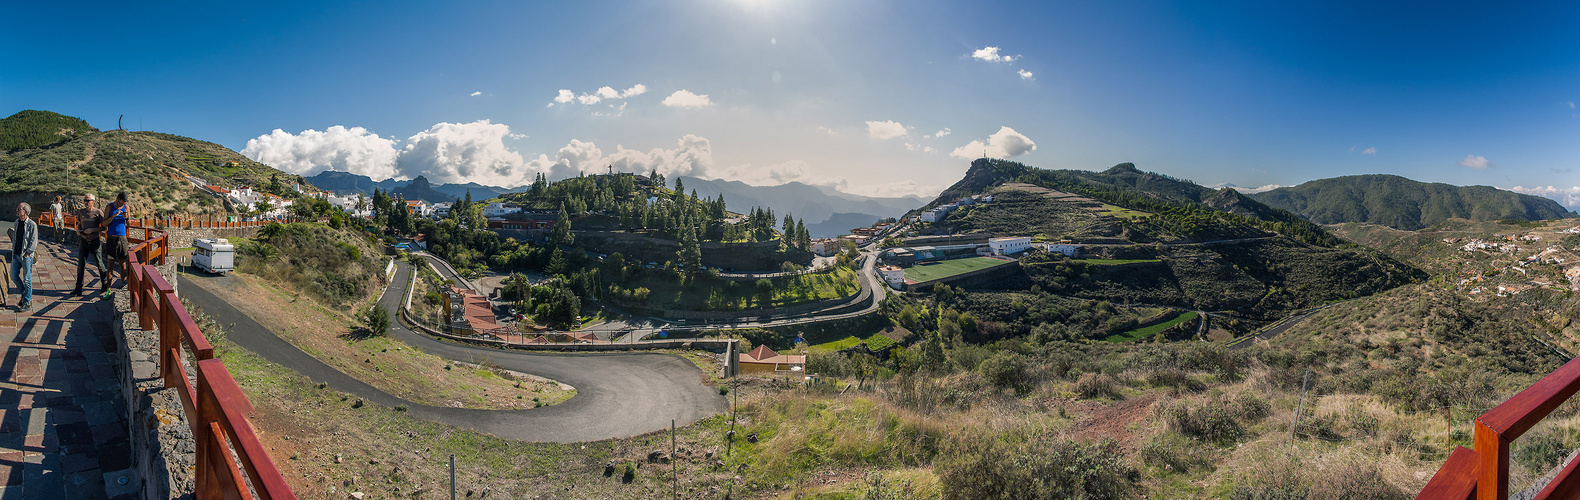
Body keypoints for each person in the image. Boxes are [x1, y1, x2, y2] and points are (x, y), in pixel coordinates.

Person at [73, 193, 105, 297]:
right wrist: (78, 229)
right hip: (83, 242)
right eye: (85, 200)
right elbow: (79, 223)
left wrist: (92, 230)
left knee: (100, 264)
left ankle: (105, 285)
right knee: (80, 265)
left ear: (93, 201)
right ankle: (78, 288)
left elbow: (103, 227)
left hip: (95, 242)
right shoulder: (81, 212)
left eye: (88, 200)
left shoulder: (98, 212)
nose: (86, 203)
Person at [101, 192, 130, 299]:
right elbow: (104, 224)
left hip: (122, 238)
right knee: (110, 264)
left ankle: (123, 288)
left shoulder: (126, 207)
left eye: (122, 204)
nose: (120, 205)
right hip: (111, 238)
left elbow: (129, 224)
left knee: (123, 265)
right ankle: (108, 289)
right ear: (117, 199)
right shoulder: (109, 207)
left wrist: (126, 218)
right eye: (119, 203)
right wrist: (113, 216)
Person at [12, 203, 37, 312]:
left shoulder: (32, 224)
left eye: (19, 209)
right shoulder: (17, 222)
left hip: (26, 256)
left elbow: (34, 241)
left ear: (26, 212)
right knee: (13, 276)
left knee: (27, 279)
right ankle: (24, 293)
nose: (17, 210)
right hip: (16, 255)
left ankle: (26, 302)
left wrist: (28, 253)